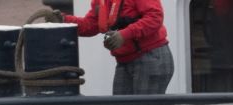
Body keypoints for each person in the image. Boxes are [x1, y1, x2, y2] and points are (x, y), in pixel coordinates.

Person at [44, 0, 173, 95]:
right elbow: (91, 25)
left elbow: (155, 17)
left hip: (150, 58)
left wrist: (124, 35)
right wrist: (64, 20)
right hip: (126, 61)